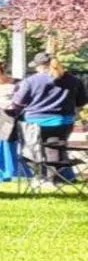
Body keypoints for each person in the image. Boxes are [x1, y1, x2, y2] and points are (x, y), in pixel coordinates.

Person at [9, 52, 88, 181]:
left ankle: (41, 176)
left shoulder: (31, 81)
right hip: (63, 122)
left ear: (40, 66)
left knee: (33, 150)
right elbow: (81, 101)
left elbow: (18, 101)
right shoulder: (74, 80)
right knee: (55, 149)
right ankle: (58, 178)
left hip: (34, 122)